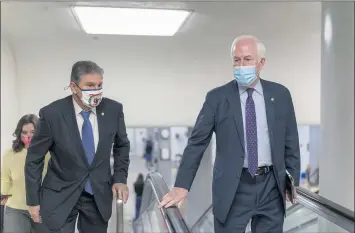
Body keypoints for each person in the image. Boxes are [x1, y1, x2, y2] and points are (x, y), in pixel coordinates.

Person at [159, 35, 300, 233]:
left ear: (261, 63)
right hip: (234, 188)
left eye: (248, 59)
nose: (241, 65)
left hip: (271, 187)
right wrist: (182, 185)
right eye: (237, 60)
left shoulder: (281, 95)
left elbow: (290, 140)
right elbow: (197, 143)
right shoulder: (217, 98)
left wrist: (292, 180)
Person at [24, 61, 130, 233]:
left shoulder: (113, 110)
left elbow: (122, 145)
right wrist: (33, 201)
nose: (96, 90)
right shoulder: (52, 114)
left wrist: (120, 178)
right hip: (60, 195)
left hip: (97, 196)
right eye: (89, 85)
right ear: (74, 87)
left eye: (99, 85)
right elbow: (34, 159)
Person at [1, 114, 50, 233]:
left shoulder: (49, 153)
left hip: (42, 209)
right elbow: (5, 180)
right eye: (25, 132)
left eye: (33, 132)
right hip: (16, 210)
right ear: (19, 133)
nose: (29, 136)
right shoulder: (10, 155)